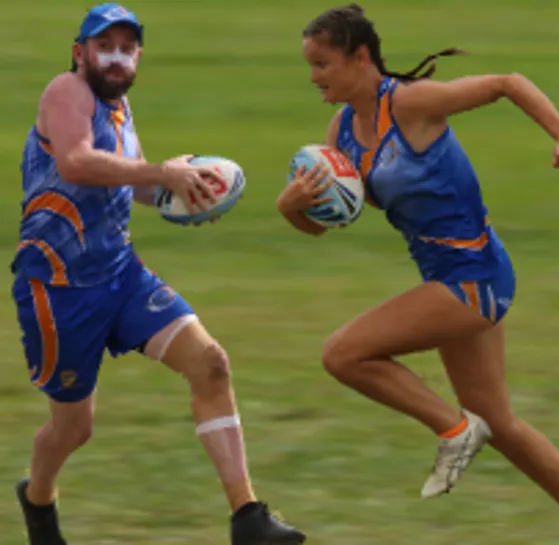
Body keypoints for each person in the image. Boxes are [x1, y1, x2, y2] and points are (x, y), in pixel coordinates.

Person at [277, 4, 559, 542]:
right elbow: (325, 226)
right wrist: (290, 207)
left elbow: (507, 82)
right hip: (452, 281)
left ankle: (454, 430)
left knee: (343, 354)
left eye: (323, 64)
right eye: (311, 65)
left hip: (474, 279)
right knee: (499, 422)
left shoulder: (411, 104)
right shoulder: (342, 129)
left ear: (360, 58)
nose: (314, 76)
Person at [12, 4, 306, 544]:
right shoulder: (66, 92)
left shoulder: (121, 109)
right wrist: (158, 170)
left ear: (138, 57)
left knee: (211, 364)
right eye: (105, 46)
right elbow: (77, 162)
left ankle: (248, 518)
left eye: (128, 48)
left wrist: (184, 190)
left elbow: (136, 185)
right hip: (58, 289)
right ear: (81, 53)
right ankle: (38, 499)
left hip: (122, 275)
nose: (117, 57)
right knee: (74, 429)